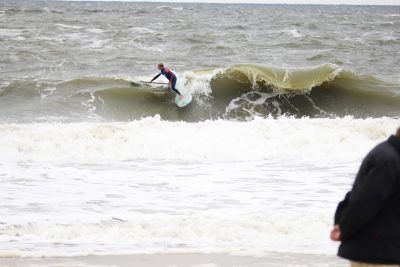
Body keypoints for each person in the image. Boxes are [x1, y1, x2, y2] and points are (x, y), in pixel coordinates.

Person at [331, 127, 400, 267]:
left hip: (382, 251)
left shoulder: (389, 155)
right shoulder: (388, 160)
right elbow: (363, 203)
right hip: (376, 254)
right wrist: (343, 229)